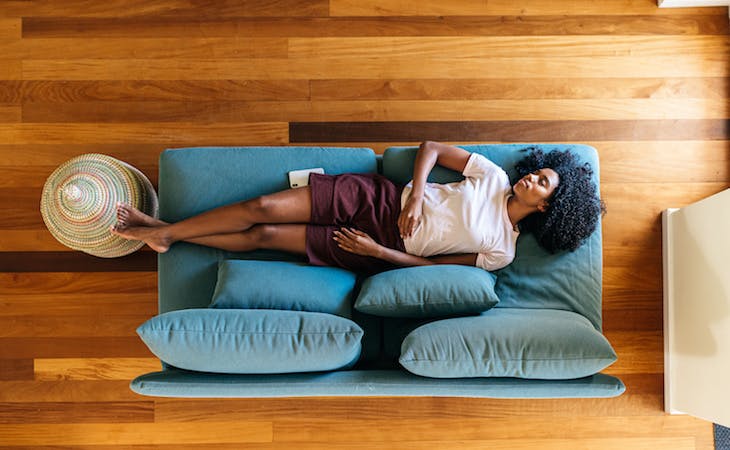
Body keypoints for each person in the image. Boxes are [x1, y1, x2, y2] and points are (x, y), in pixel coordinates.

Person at [111, 141, 605, 273]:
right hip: (378, 198)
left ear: (546, 209)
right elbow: (430, 146)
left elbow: (432, 268)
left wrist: (379, 252)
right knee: (262, 205)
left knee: (262, 237)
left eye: (542, 183)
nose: (531, 177)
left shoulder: (503, 251)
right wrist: (416, 191)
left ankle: (163, 232)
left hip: (376, 245)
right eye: (538, 172)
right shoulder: (493, 176)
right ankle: (166, 232)